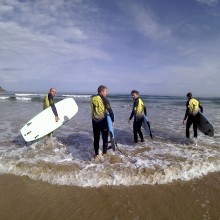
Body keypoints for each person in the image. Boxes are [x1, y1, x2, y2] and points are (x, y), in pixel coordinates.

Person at [91, 85, 114, 160]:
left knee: (96, 138)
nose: (106, 93)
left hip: (94, 122)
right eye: (106, 91)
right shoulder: (104, 100)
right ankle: (104, 153)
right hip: (102, 122)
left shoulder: (93, 98)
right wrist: (112, 121)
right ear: (102, 91)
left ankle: (96, 154)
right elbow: (110, 112)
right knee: (104, 138)